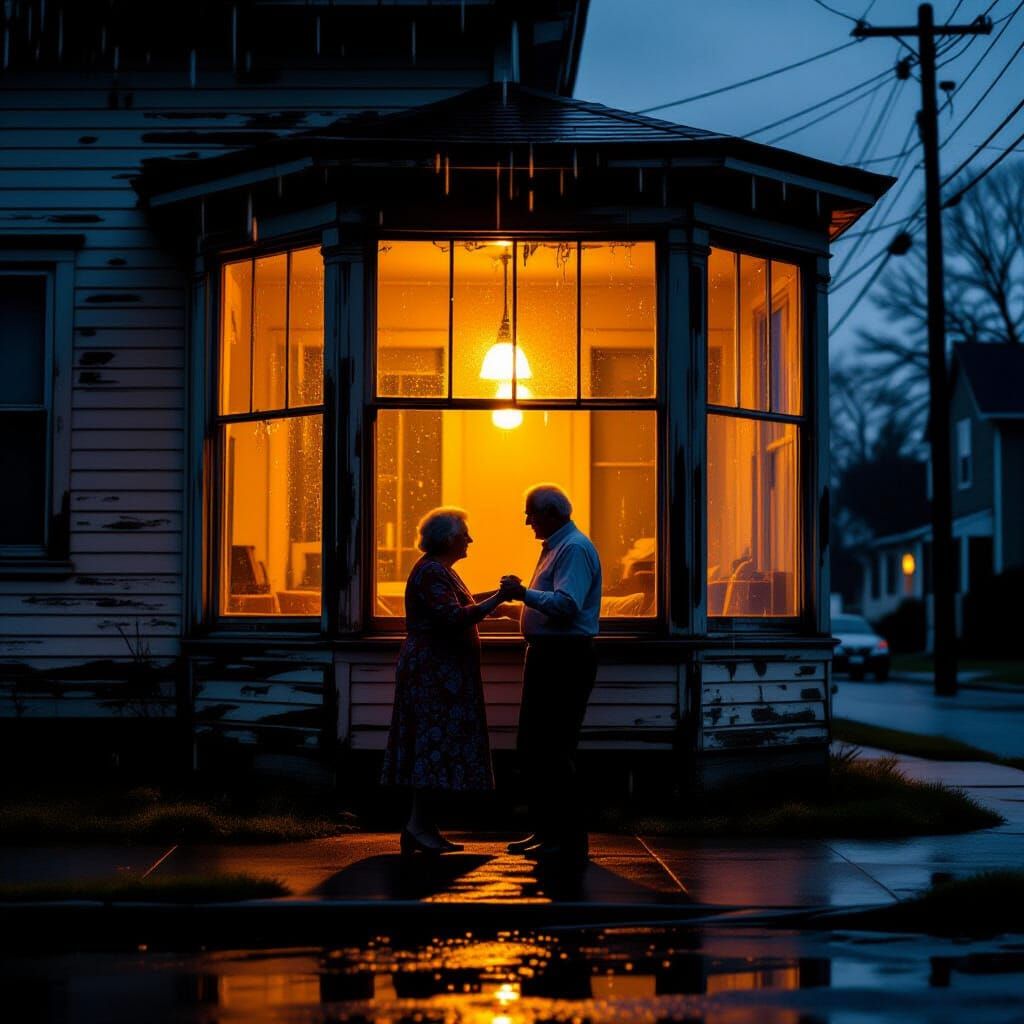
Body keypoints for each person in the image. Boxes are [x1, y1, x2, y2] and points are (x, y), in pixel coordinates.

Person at [381, 506, 506, 856]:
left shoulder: (438, 572)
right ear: (448, 538)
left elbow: (460, 604)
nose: (470, 539)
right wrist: (499, 598)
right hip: (433, 677)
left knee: (435, 748)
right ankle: (418, 827)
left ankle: (421, 826)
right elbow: (452, 616)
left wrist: (498, 600)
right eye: (464, 533)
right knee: (431, 747)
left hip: (440, 676)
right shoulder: (433, 573)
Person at [499, 484, 602, 867]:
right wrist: (514, 610)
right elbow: (553, 606)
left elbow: (566, 606)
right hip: (550, 656)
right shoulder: (558, 547)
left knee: (554, 749)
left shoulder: (572, 549)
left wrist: (522, 595)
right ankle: (546, 832)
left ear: (553, 513)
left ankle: (566, 839)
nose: (527, 521)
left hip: (564, 660)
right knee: (536, 748)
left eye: (532, 513)